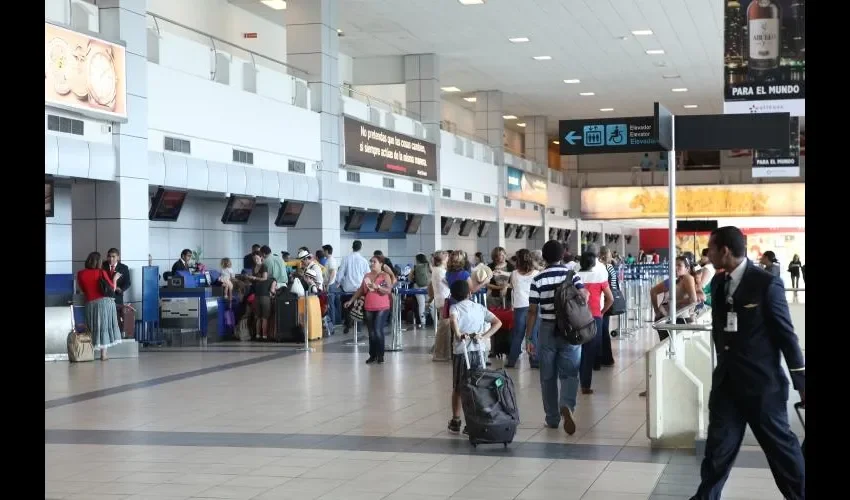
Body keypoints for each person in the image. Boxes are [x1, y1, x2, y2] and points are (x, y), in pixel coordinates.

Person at [691, 226, 804, 500]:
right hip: (727, 387)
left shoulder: (765, 283)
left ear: (725, 251)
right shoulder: (718, 283)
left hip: (762, 388)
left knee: (782, 453)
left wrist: (802, 384)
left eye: (711, 249)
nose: (708, 254)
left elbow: (786, 337)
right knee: (717, 453)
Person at [526, 240, 586, 435]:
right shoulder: (571, 275)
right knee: (570, 373)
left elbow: (533, 311)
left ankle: (552, 418)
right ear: (563, 256)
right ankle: (567, 405)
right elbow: (583, 296)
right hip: (569, 329)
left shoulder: (538, 279)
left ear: (544, 257)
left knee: (547, 377)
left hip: (547, 329)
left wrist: (529, 337)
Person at [446, 279, 502, 435]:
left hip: (461, 353)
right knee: (477, 385)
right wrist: (484, 336)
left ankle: (456, 420)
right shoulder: (479, 307)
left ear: (453, 295)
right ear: (470, 293)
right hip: (479, 352)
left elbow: (453, 320)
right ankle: (475, 420)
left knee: (458, 387)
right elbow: (498, 322)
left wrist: (458, 334)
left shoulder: (454, 307)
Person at [575, 249, 612, 395]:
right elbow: (611, 299)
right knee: (589, 352)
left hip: (576, 318)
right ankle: (585, 385)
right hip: (594, 317)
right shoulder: (600, 275)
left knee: (576, 350)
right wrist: (602, 313)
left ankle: (573, 380)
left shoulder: (574, 276)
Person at [344, 255, 393, 364]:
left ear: (380, 264)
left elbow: (388, 290)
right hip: (369, 307)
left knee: (377, 330)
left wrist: (378, 287)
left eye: (374, 262)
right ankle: (372, 355)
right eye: (370, 262)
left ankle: (380, 355)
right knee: (371, 332)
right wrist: (351, 301)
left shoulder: (384, 276)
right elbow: (361, 290)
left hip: (382, 307)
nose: (371, 264)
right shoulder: (367, 276)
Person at [77, 252, 122, 360]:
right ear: (99, 262)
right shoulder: (101, 272)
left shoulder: (80, 274)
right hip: (104, 303)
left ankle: (89, 352)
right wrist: (115, 279)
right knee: (104, 327)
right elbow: (111, 288)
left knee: (93, 327)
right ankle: (103, 354)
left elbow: (83, 290)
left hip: (90, 303)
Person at [507, 249, 540, 368]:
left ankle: (512, 361)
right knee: (532, 334)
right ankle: (535, 360)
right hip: (534, 306)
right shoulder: (537, 273)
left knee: (518, 335)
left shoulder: (514, 274)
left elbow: (512, 287)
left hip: (519, 306)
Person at [336, 240, 370, 334]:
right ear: (360, 247)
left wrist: (338, 281)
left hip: (347, 288)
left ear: (352, 247)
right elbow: (367, 275)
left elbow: (341, 272)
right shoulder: (363, 260)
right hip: (359, 288)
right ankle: (358, 327)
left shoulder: (346, 258)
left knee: (347, 306)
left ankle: (348, 324)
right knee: (358, 307)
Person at [409, 253, 431, 328]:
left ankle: (423, 322)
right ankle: (435, 321)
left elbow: (410, 278)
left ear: (417, 259)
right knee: (430, 304)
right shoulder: (428, 265)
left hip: (417, 287)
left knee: (421, 305)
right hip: (428, 287)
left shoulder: (415, 267)